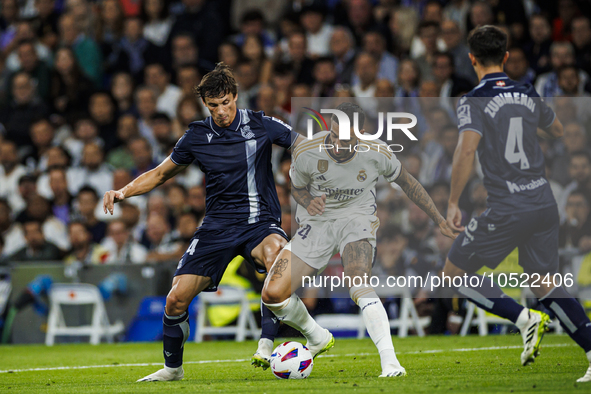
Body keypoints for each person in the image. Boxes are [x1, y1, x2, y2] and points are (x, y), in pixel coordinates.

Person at [102, 63, 304, 382]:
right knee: (175, 298)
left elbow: (303, 145)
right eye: (214, 106)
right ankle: (173, 369)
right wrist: (122, 191)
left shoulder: (261, 124)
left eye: (226, 102)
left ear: (235, 97)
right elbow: (160, 173)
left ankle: (266, 344)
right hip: (217, 228)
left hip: (259, 222)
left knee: (276, 257)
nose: (222, 111)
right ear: (205, 106)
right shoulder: (197, 136)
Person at [260, 102, 456, 377]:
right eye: (335, 136)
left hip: (357, 219)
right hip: (318, 224)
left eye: (348, 139)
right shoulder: (305, 151)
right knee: (272, 294)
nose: (339, 144)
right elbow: (298, 187)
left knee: (357, 282)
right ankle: (316, 336)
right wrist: (307, 200)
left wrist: (438, 218)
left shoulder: (376, 152)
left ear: (361, 132)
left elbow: (408, 183)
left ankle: (390, 362)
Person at [443, 25, 591, 383]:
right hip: (543, 200)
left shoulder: (474, 99)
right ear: (507, 57)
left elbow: (467, 149)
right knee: (545, 282)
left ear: (471, 58)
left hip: (509, 203)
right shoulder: (526, 91)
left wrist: (452, 202)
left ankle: (523, 318)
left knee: (453, 275)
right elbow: (556, 130)